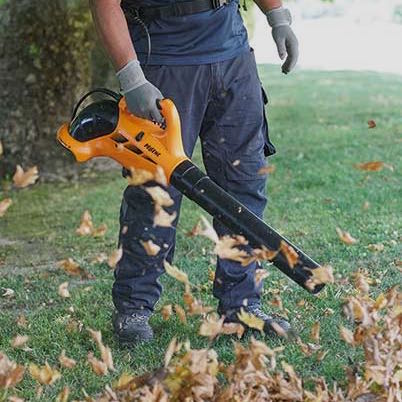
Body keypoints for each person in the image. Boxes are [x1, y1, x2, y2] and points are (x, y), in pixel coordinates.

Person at [89, 0, 299, 344]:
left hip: (232, 56)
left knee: (242, 184)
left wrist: (278, 17)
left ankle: (242, 306)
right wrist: (132, 78)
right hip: (163, 61)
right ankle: (134, 307)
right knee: (154, 192)